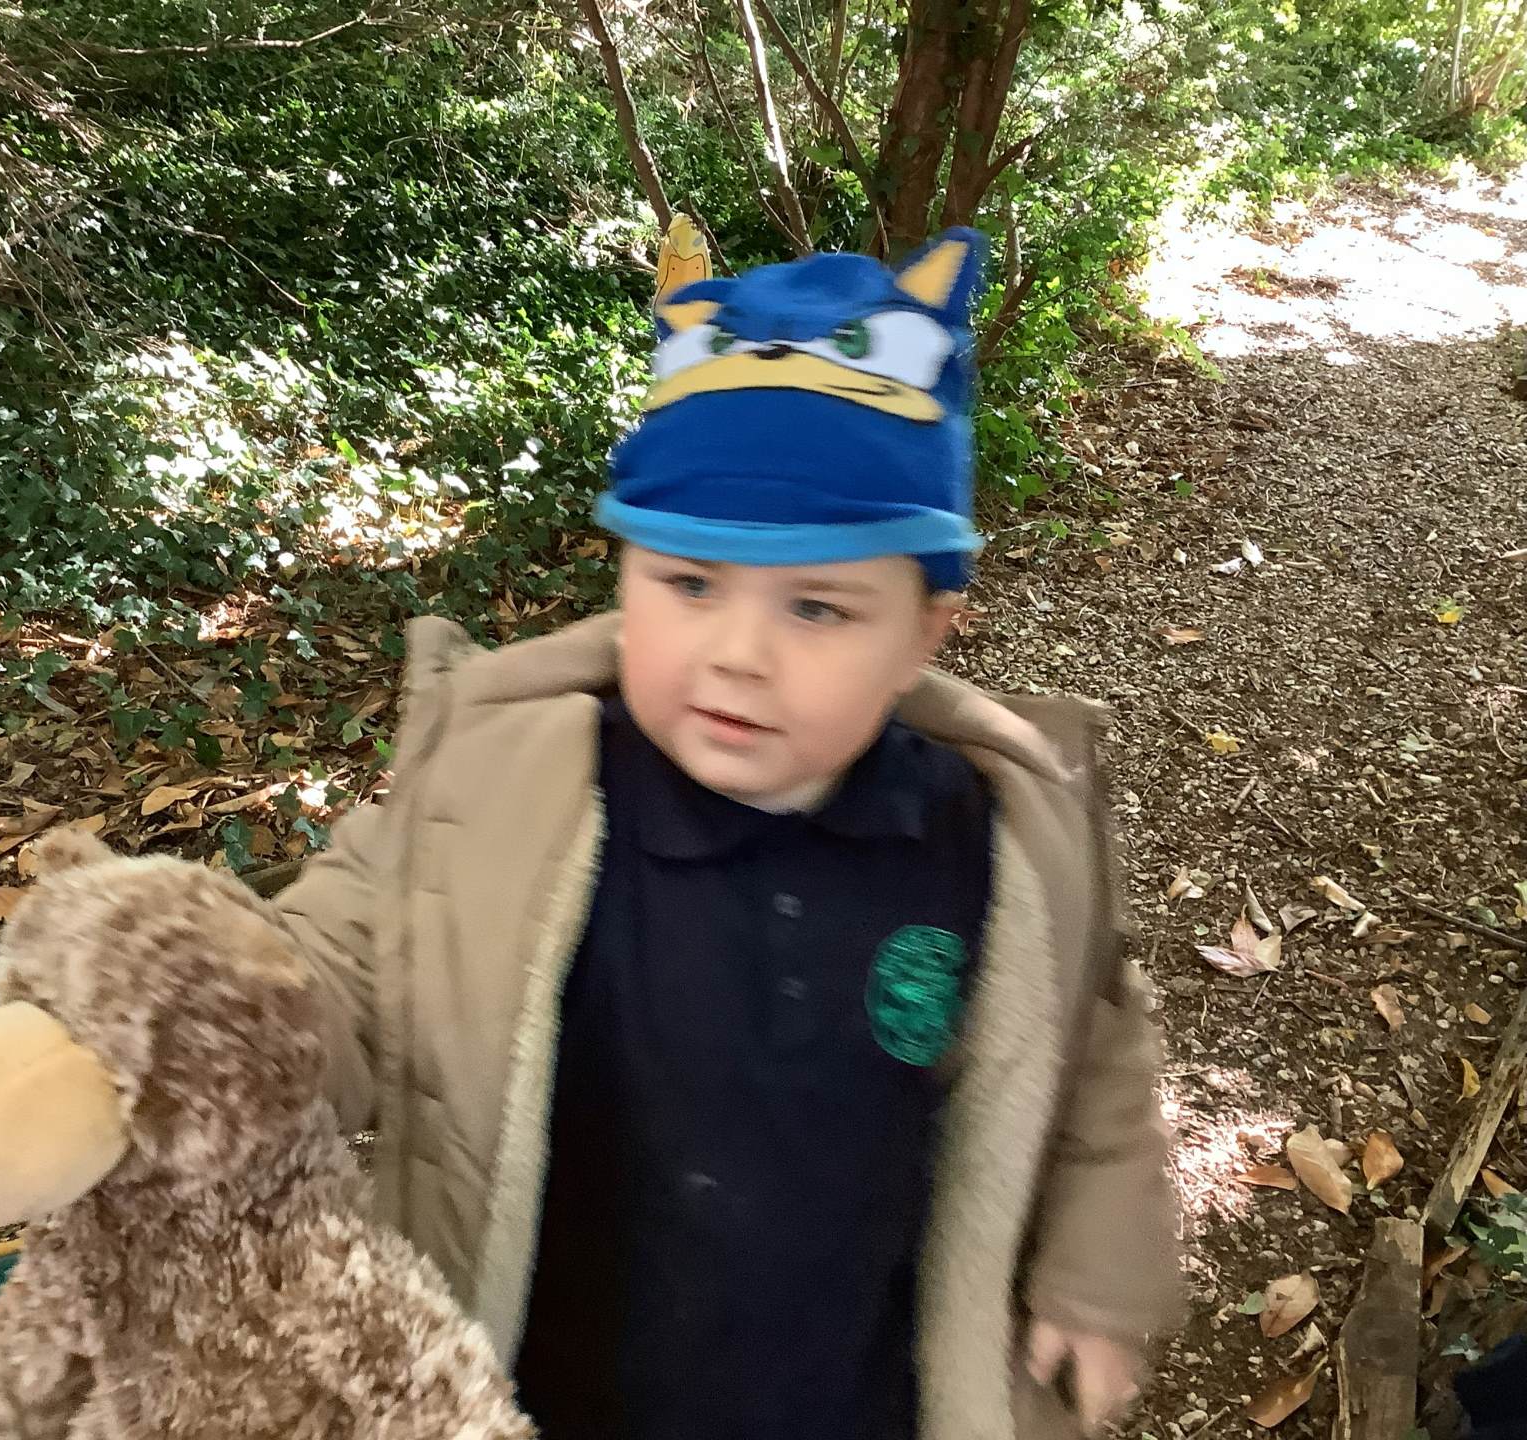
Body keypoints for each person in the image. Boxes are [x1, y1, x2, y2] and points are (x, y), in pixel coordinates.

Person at [270, 227, 1183, 1440]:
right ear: (624, 575)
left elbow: (1090, 1053)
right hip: (548, 1396)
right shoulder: (509, 797)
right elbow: (332, 958)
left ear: (924, 634)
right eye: (690, 584)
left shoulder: (988, 842)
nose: (739, 654)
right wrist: (172, 1028)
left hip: (852, 1400)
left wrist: (1098, 1271)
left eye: (817, 607)